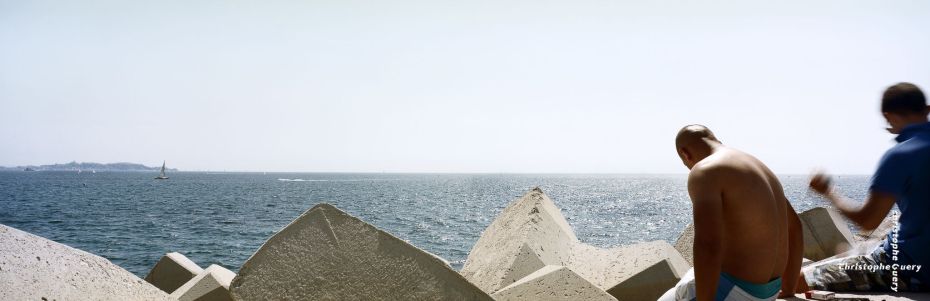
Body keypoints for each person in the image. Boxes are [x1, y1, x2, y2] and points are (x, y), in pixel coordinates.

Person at [798, 82, 930, 292]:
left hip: (907, 268)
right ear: (927, 110)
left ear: (889, 116)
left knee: (800, 279)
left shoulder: (901, 155)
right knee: (851, 251)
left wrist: (828, 193)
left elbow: (868, 221)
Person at [660, 125, 803, 301]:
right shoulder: (760, 168)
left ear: (685, 154)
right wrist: (789, 289)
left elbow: (708, 244)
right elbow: (795, 228)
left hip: (736, 292)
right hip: (770, 291)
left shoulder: (705, 171)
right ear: (716, 140)